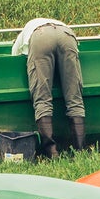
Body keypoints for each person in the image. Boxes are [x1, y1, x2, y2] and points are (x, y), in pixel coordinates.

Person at [12, 14, 86, 154]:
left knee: (42, 99)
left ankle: (51, 152)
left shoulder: (23, 35)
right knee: (75, 98)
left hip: (40, 37)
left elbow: (14, 57)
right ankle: (80, 150)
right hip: (67, 35)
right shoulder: (57, 23)